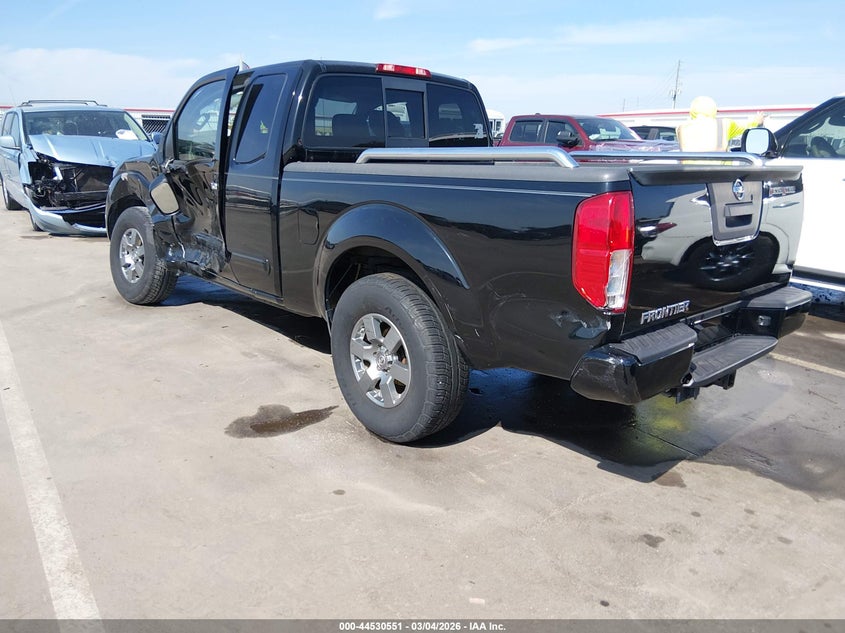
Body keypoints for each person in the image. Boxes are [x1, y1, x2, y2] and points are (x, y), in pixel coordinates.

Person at [676, 96, 765, 152]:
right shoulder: (724, 124)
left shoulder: (681, 128)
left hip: (691, 176)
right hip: (719, 177)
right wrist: (758, 120)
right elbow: (746, 126)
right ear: (713, 110)